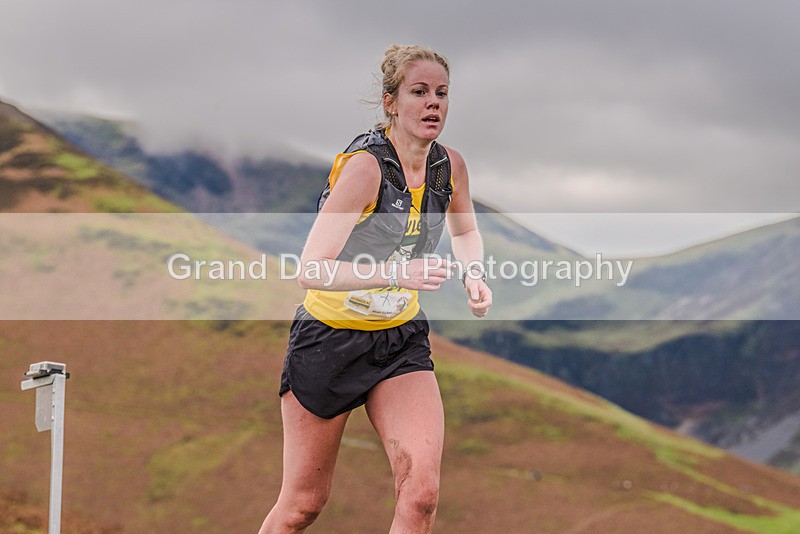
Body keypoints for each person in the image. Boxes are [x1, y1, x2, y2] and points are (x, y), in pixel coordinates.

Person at [259, 44, 492, 534]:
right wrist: (393, 274)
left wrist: (474, 274)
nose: (434, 103)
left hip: (399, 341)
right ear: (391, 103)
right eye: (419, 92)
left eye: (442, 93)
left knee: (422, 495)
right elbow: (311, 269)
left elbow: (466, 231)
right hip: (329, 341)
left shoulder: (450, 166)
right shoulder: (364, 169)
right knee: (302, 506)